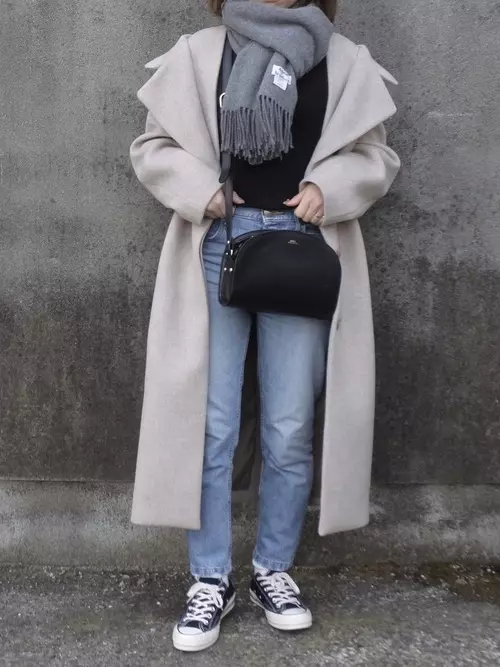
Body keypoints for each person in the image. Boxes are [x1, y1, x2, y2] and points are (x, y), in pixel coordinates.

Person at [130, 0, 400, 653]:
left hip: (304, 249)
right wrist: (201, 189)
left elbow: (376, 158)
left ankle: (272, 570)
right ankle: (210, 578)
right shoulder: (199, 53)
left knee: (289, 425)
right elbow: (152, 148)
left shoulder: (343, 60)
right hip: (216, 243)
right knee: (212, 423)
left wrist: (330, 187)